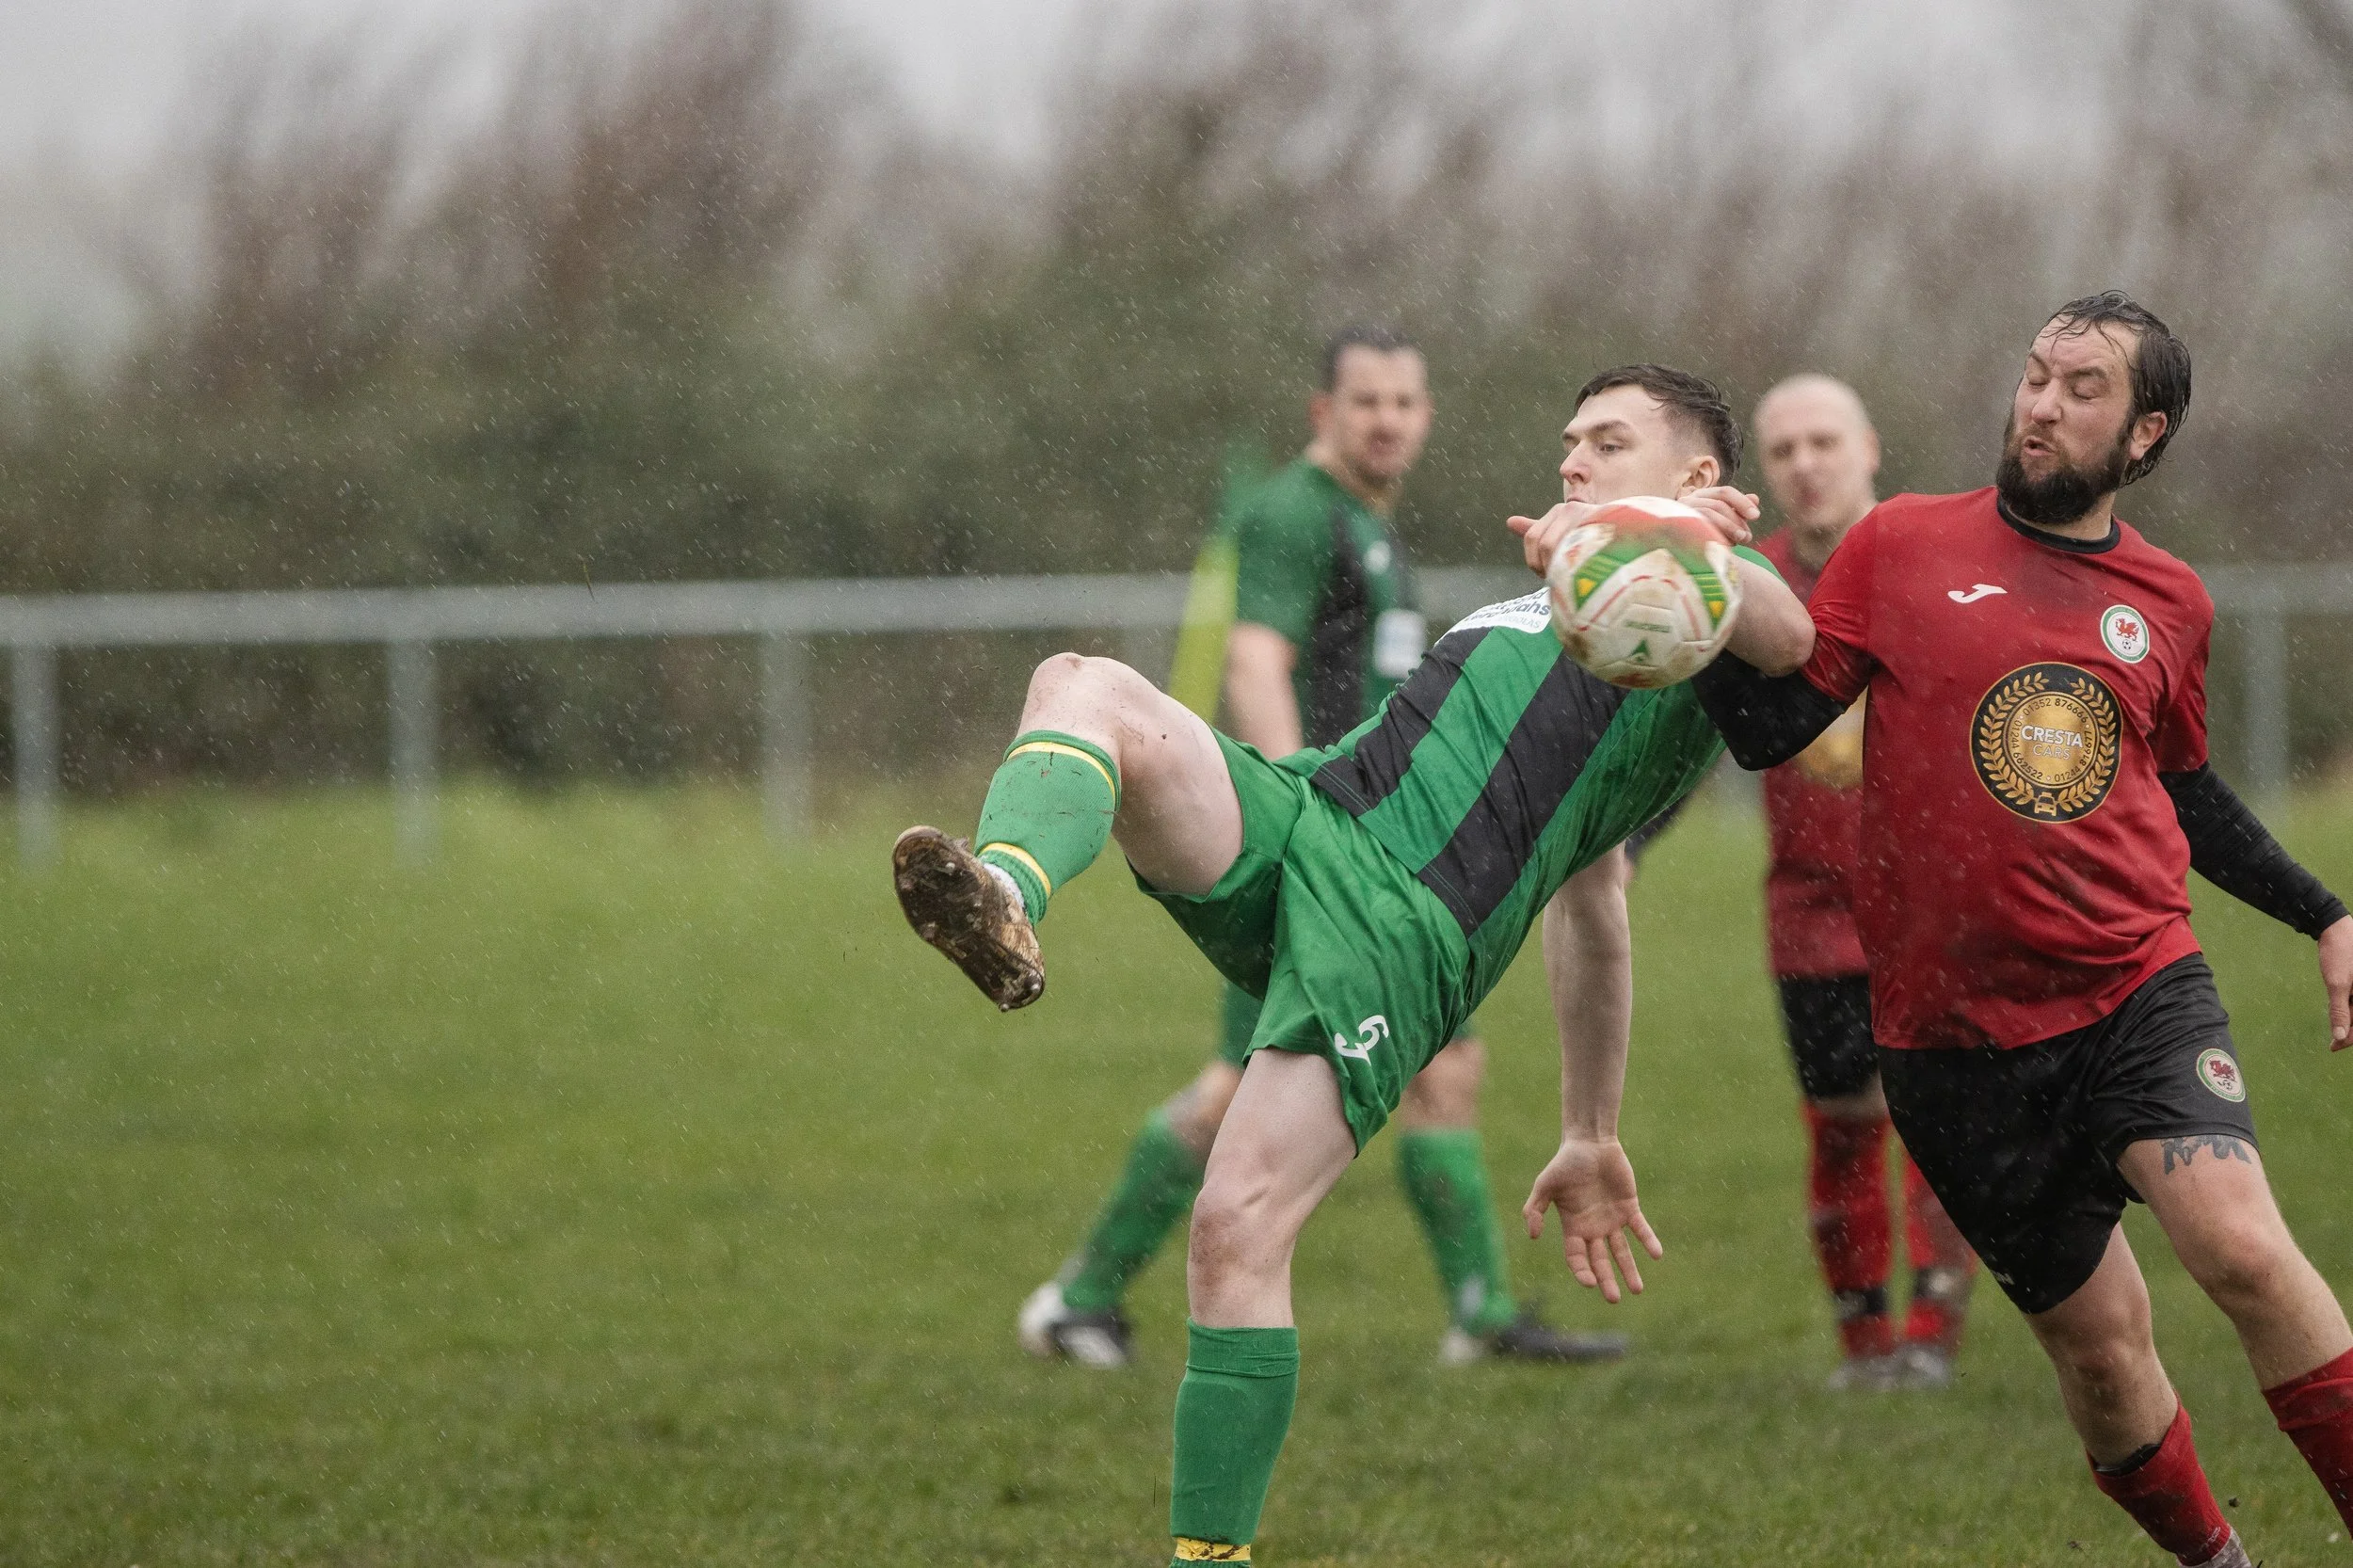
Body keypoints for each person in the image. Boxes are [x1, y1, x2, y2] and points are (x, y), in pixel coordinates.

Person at [893, 365, 1816, 1567]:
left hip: (1403, 925)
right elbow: (1592, 899)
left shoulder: (1695, 623)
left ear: (1699, 474)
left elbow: (1779, 646)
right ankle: (1007, 895)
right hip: (1308, 816)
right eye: (1568, 446)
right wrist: (1596, 545)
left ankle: (1206, 1557)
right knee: (1083, 686)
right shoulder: (1562, 597)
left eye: (1607, 441)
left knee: (1234, 1227)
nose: (1573, 464)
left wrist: (1592, 1125)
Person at [1677, 292, 2353, 1568]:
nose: (2041, 404)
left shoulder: (2170, 601)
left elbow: (2186, 786)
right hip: (1947, 1037)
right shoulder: (1897, 545)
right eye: (2037, 374)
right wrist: (1689, 607)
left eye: (2082, 387)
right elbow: (1773, 727)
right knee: (2102, 1358)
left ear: (2145, 432)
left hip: (2132, 986)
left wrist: (2324, 912)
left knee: (2246, 1253)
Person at [1017, 325, 1619, 1370]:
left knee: (1446, 1072)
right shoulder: (1297, 512)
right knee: (1231, 1092)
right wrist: (1308, 815)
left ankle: (1479, 1317)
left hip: (1392, 850)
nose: (1386, 419)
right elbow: (1256, 661)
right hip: (1334, 849)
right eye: (1365, 401)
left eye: (1404, 402)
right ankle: (1076, 1299)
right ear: (1322, 414)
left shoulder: (1368, 525)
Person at [1748, 375, 1977, 1389]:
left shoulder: (1930, 566)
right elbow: (1675, 735)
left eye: (1822, 440)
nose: (1805, 462)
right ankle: (1862, 1346)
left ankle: (1930, 1336)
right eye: (1784, 447)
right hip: (1807, 910)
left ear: (1869, 446)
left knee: (1935, 1115)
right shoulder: (1742, 590)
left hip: (1932, 899)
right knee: (1841, 1121)